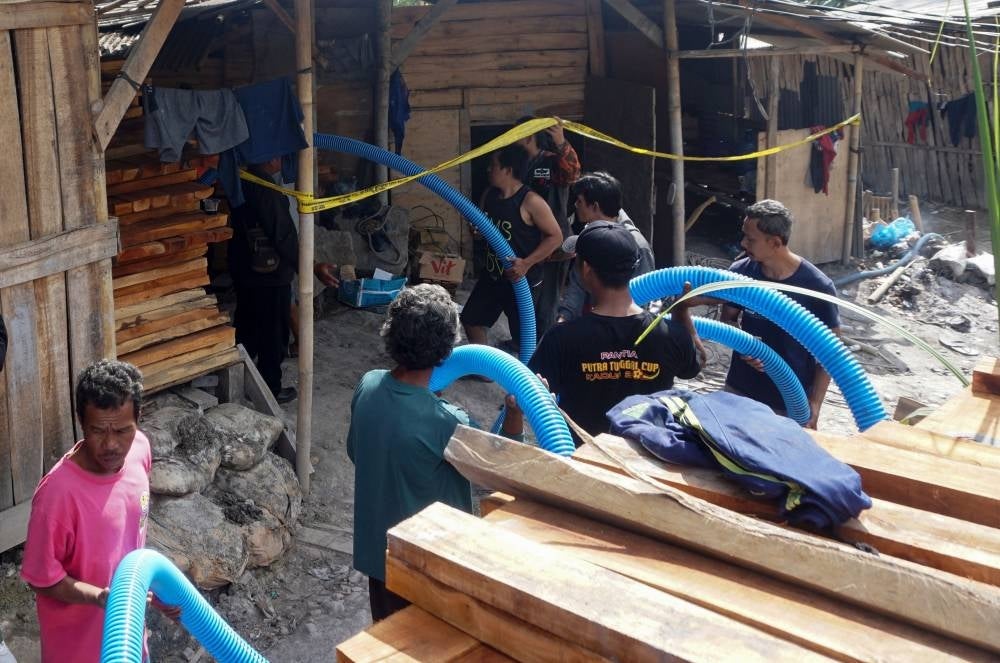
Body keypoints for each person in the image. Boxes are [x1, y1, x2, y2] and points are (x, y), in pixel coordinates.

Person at [347, 284, 523, 621]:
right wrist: (514, 414)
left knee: (385, 644)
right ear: (446, 352)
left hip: (378, 559)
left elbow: (357, 452)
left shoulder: (368, 385)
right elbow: (502, 473)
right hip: (430, 563)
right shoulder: (447, 421)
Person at [21, 360, 179, 663]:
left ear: (138, 418)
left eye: (122, 430)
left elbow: (132, 544)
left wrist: (156, 594)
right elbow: (41, 578)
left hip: (131, 640)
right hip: (77, 651)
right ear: (81, 421)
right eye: (97, 431)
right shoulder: (58, 495)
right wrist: (101, 598)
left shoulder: (140, 451)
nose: (111, 445)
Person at [527, 221, 702, 441]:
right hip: (647, 458)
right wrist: (682, 309)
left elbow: (529, 398)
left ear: (586, 269)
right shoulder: (671, 335)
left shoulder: (562, 338)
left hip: (581, 457)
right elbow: (692, 368)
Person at [721, 199, 841, 429]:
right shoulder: (741, 273)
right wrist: (744, 344)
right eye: (744, 235)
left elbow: (831, 353)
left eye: (751, 239)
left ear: (775, 242)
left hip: (787, 400)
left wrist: (815, 404)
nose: (743, 243)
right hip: (740, 389)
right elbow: (727, 319)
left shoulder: (816, 287)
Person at [229, 156, 339, 403]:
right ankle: (269, 390)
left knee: (247, 328)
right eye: (279, 153)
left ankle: (239, 380)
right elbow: (283, 236)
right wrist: (311, 267)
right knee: (272, 335)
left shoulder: (243, 180)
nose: (283, 159)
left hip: (246, 271)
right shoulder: (265, 189)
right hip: (268, 274)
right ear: (268, 157)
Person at [460, 144, 562, 348]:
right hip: (493, 275)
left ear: (508, 170)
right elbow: (484, 229)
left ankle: (524, 376)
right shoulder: (489, 195)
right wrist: (478, 233)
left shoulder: (531, 201)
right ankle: (484, 369)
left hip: (521, 280)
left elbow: (556, 237)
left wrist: (526, 263)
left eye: (493, 166)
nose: (489, 169)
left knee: (524, 338)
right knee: (471, 319)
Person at [515, 116, 582, 338]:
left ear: (528, 135)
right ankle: (524, 343)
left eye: (517, 134)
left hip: (554, 247)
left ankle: (543, 346)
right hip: (527, 243)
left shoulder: (553, 161)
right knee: (526, 300)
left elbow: (573, 174)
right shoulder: (519, 164)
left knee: (547, 304)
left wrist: (562, 142)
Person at [557, 171, 654, 323]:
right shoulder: (588, 234)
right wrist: (564, 317)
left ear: (595, 206)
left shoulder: (637, 246)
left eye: (580, 201)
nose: (575, 205)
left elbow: (643, 298)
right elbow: (578, 284)